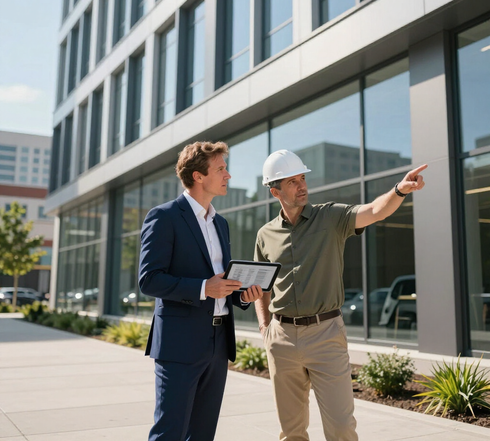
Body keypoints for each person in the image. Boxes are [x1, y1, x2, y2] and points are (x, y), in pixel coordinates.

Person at [254, 149, 427, 441]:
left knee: (341, 427)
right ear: (275, 191)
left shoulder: (331, 216)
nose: (302, 185)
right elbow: (262, 288)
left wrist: (399, 190)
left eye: (302, 178)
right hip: (281, 338)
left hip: (326, 335)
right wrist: (264, 327)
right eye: (293, 181)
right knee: (291, 431)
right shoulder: (265, 234)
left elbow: (375, 210)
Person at [139, 141, 263, 441]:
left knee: (203, 433)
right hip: (179, 344)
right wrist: (205, 288)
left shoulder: (220, 223)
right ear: (198, 176)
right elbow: (149, 280)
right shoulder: (164, 216)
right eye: (221, 169)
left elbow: (220, 282)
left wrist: (240, 294)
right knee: (170, 432)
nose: (228, 175)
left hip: (218, 344)